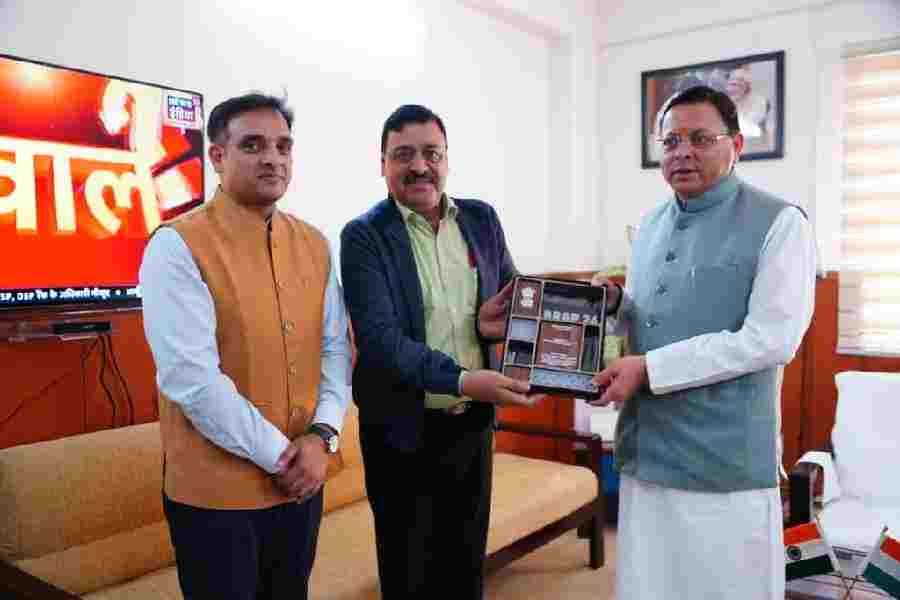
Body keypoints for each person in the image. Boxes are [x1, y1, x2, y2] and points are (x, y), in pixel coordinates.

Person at [591, 85, 816, 599]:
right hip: (647, 449)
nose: (683, 152)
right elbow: (650, 319)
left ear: (736, 144)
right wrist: (617, 304)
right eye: (671, 142)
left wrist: (649, 369)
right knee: (649, 586)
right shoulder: (650, 224)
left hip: (723, 459)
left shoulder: (781, 223)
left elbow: (772, 338)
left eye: (700, 139)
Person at [139, 92, 352, 600]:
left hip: (302, 484)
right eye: (253, 145)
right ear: (217, 156)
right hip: (217, 498)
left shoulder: (315, 244)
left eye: (283, 146)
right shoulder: (177, 245)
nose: (272, 158)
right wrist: (288, 459)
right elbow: (193, 382)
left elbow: (334, 350)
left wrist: (323, 436)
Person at [340, 104, 539, 599]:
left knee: (465, 569)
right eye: (403, 154)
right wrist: (465, 379)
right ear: (382, 163)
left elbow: (512, 298)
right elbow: (382, 342)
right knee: (409, 575)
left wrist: (495, 325)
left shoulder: (481, 219)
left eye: (432, 153)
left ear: (447, 158)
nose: (420, 166)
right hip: (402, 433)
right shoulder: (364, 236)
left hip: (472, 426)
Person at [726, 65, 771, 139]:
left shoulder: (760, 103)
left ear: (747, 86)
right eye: (729, 84)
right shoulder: (728, 104)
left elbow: (748, 129)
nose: (730, 89)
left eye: (735, 84)